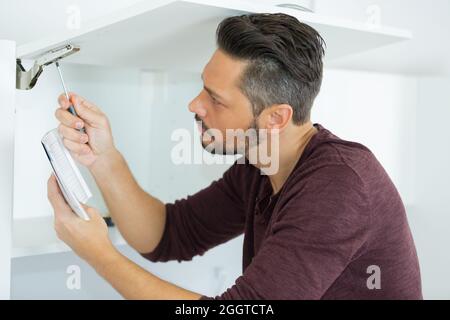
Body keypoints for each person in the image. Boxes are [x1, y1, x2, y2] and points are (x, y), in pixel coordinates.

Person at [47, 13, 422, 299]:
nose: (194, 105)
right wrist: (104, 158)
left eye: (215, 98)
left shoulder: (340, 187)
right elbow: (167, 235)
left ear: (276, 117)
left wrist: (98, 254)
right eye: (202, 88)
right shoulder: (261, 165)